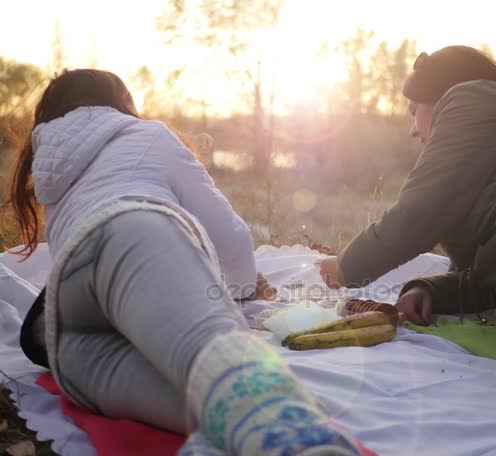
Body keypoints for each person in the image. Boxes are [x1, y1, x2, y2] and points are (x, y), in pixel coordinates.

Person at [6, 69, 362, 455]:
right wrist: (241, 288)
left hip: (70, 338)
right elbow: (233, 239)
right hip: (134, 235)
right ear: (124, 106)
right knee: (229, 369)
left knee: (222, 409)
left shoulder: (50, 165)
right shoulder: (148, 134)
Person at [321, 46, 496, 398]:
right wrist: (427, 290)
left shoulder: (471, 97)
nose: (413, 130)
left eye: (414, 112)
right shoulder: (477, 179)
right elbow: (484, 278)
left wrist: (345, 267)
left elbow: (418, 214)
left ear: (438, 97)